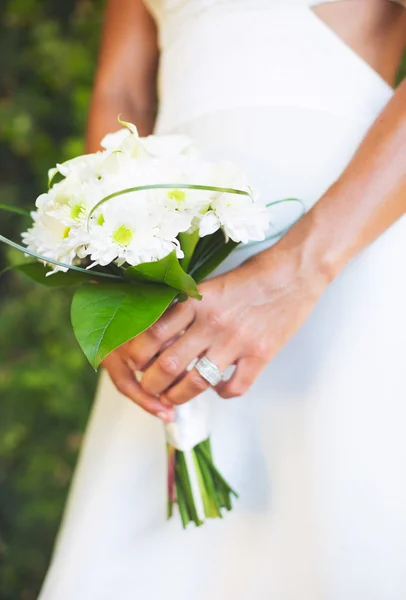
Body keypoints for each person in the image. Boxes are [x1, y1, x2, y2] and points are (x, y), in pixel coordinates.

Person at [39, 1, 406, 598]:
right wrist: (110, 275)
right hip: (172, 282)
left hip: (346, 249)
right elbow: (123, 89)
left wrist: (296, 274)